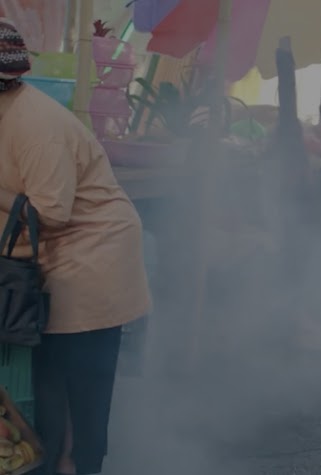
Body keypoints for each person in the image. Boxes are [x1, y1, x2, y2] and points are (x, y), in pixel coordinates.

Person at [0, 19, 152, 475]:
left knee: (76, 393)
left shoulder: (35, 126)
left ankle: (80, 466)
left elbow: (50, 212)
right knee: (48, 389)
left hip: (90, 258)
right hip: (47, 257)